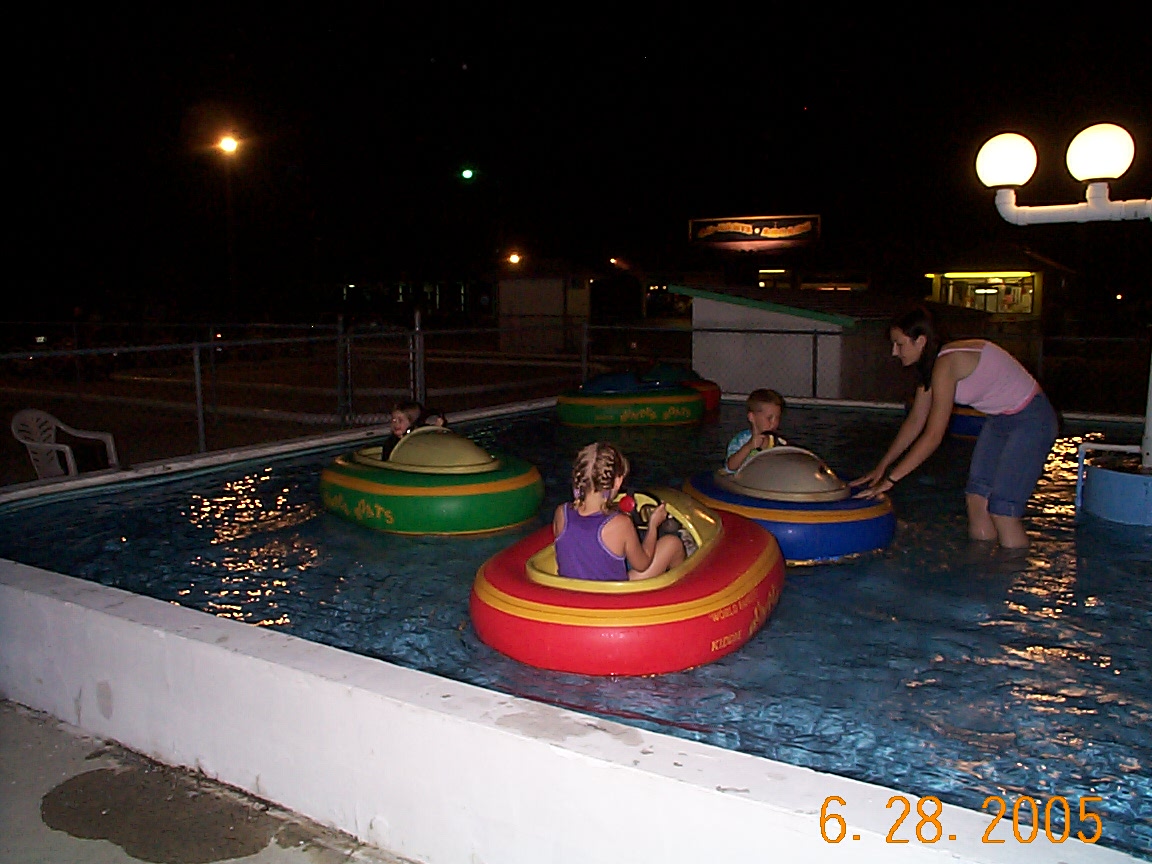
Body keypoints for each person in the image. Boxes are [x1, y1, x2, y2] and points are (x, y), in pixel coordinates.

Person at [855, 306, 1058, 549]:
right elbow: (916, 421)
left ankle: (1013, 570)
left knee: (1003, 510)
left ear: (920, 341)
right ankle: (983, 563)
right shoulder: (931, 367)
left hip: (1032, 420)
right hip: (999, 420)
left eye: (899, 344)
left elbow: (933, 436)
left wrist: (891, 480)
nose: (894, 352)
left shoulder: (946, 364)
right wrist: (882, 467)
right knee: (976, 498)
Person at [553, 442, 687, 581]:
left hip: (571, 591)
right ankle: (681, 590)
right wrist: (653, 525)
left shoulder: (561, 513)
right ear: (618, 482)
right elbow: (643, 564)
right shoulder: (621, 523)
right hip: (613, 593)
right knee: (673, 543)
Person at [725, 389, 788, 473]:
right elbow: (731, 467)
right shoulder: (741, 440)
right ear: (752, 417)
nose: (774, 423)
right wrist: (749, 446)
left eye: (777, 418)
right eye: (769, 418)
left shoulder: (777, 441)